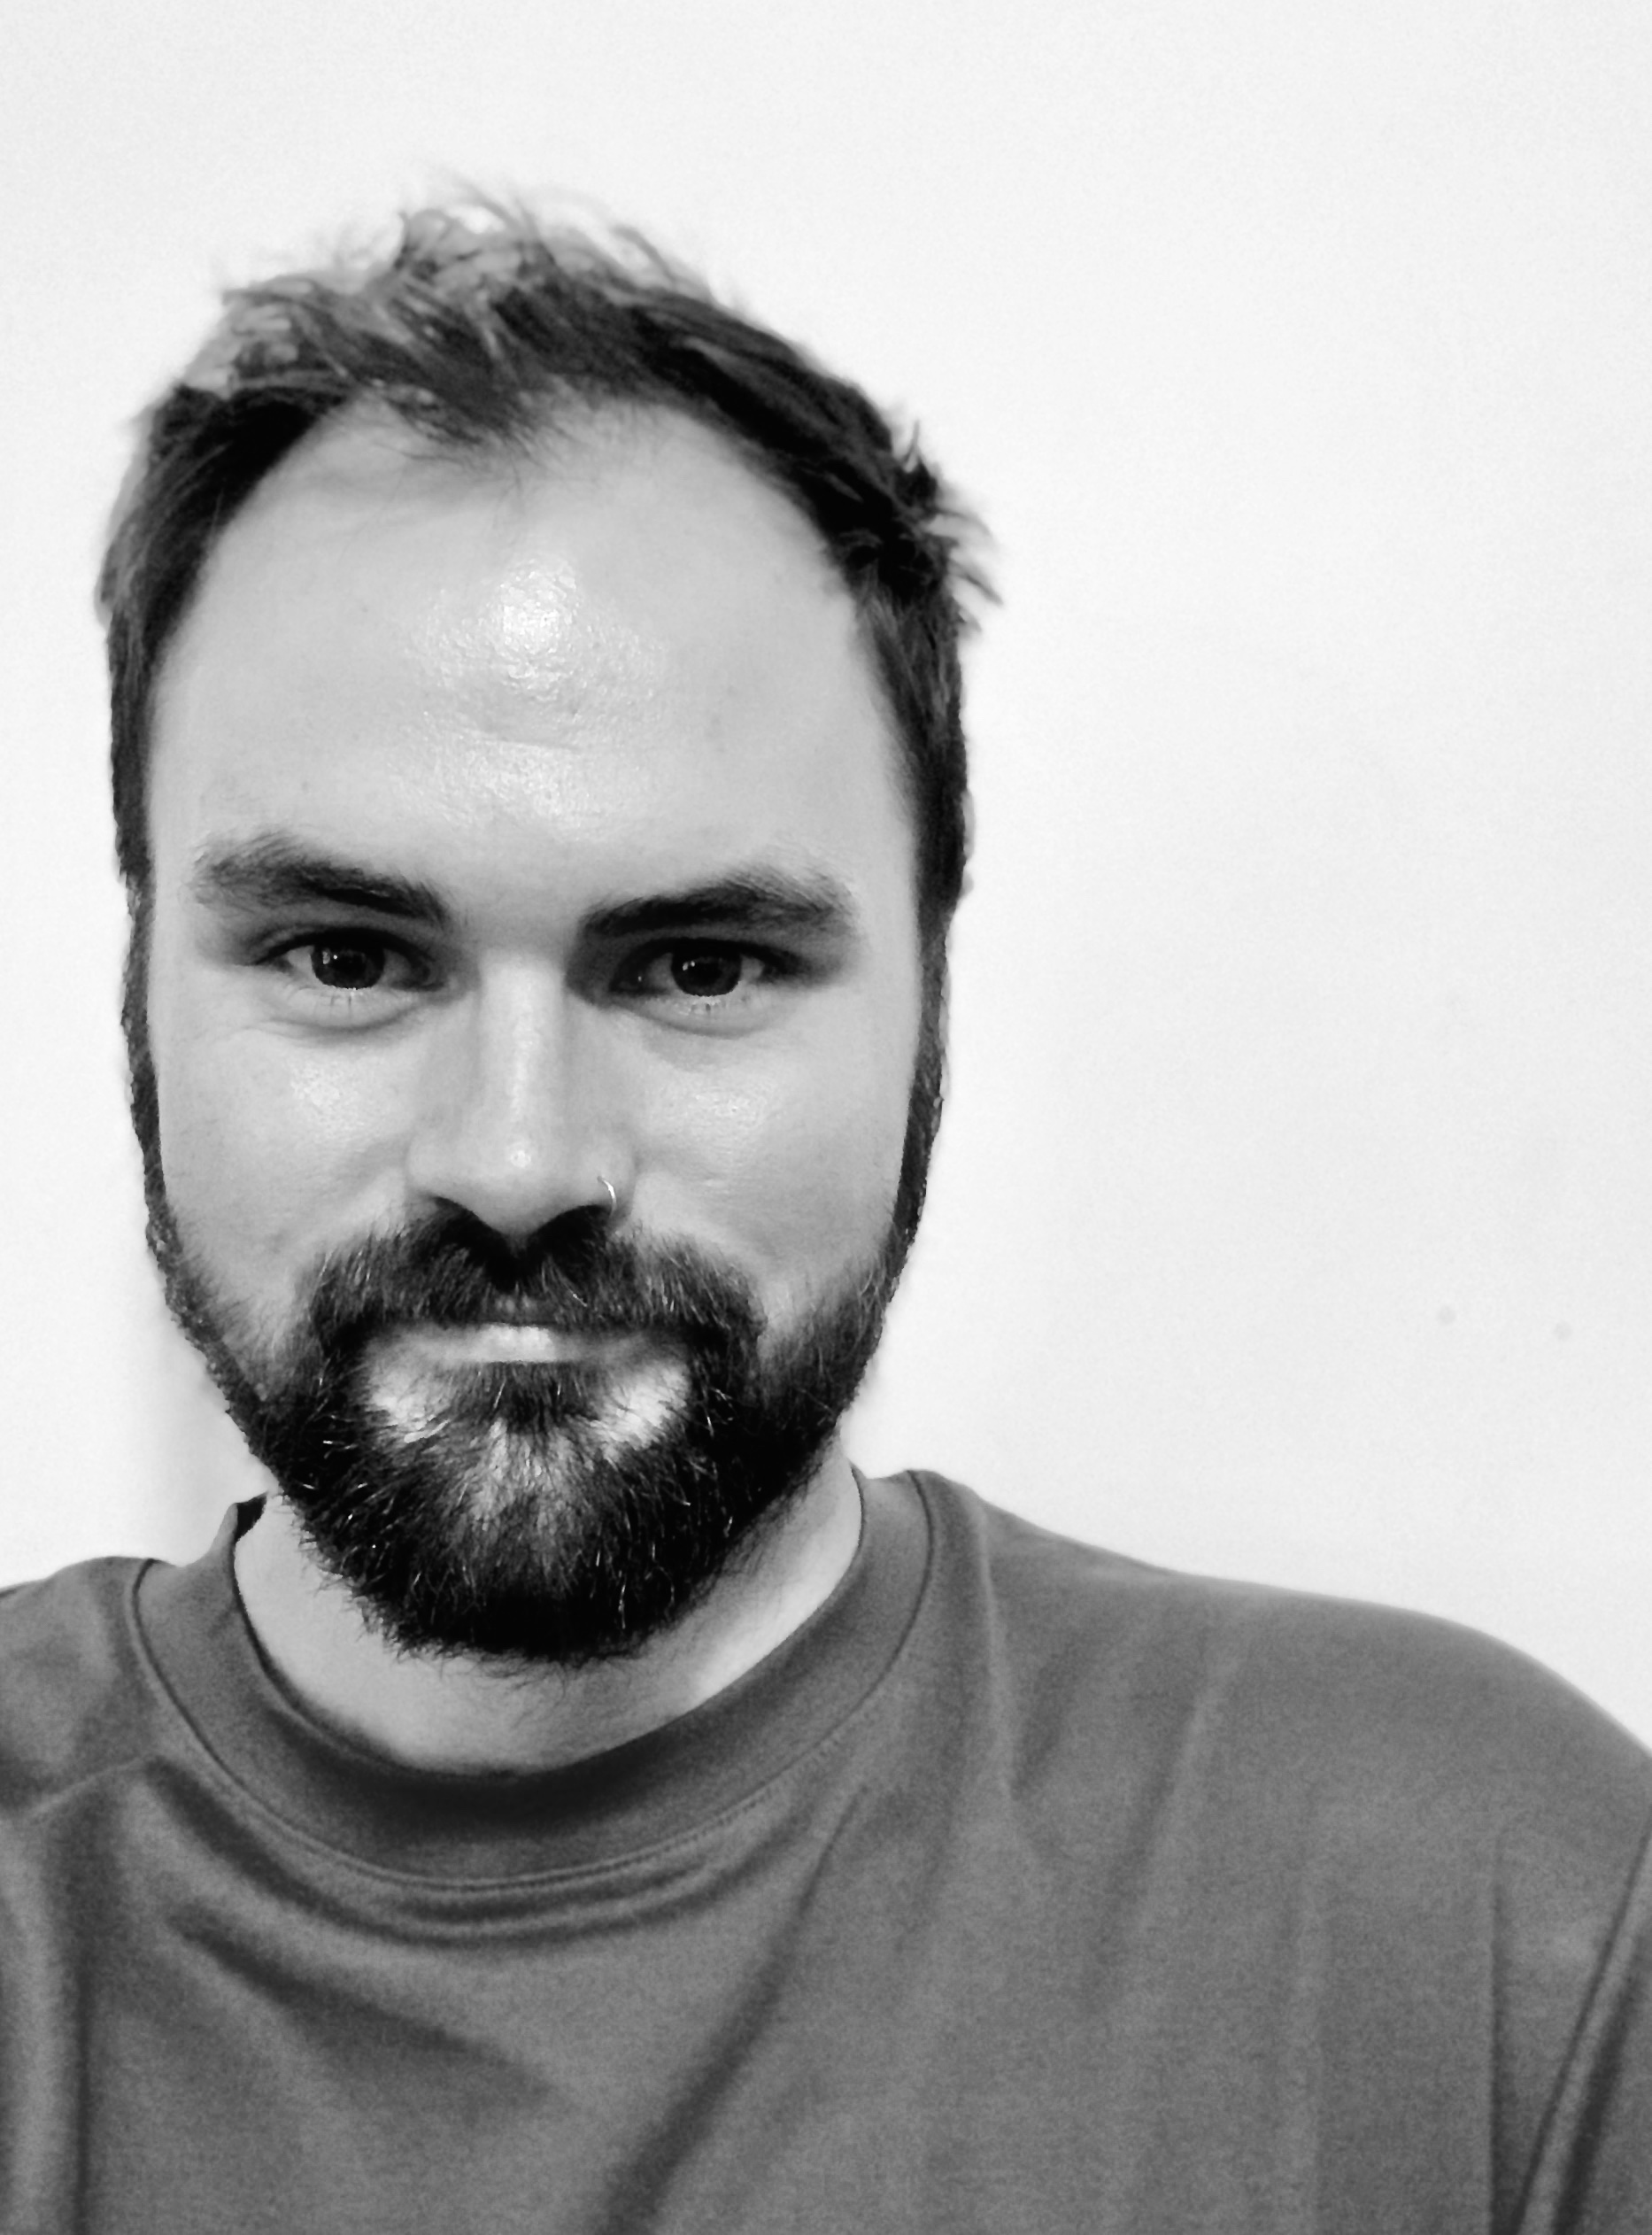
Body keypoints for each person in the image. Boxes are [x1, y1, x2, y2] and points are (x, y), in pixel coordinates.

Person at [0, 201, 1646, 2234]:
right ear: (139, 976)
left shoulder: (1485, 1926)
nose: (518, 1156)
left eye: (700, 964)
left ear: (933, 992)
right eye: (347, 955)